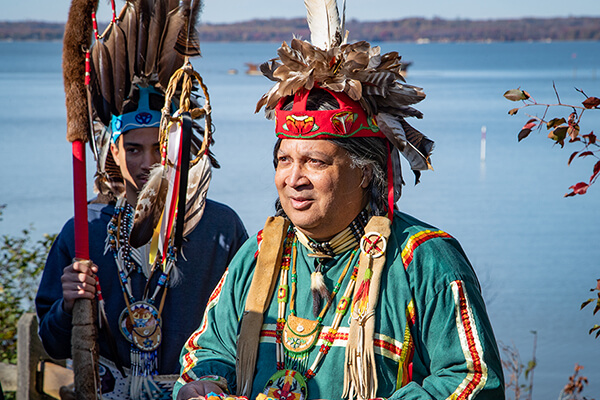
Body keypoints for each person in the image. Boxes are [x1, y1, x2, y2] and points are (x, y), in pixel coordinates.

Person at [174, 2, 505, 399]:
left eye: (315, 161)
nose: (293, 179)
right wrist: (205, 384)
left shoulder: (423, 260)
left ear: (365, 171)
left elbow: (474, 380)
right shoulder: (260, 255)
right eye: (284, 160)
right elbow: (208, 350)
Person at [35, 1, 248, 398]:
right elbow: (53, 343)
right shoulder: (85, 231)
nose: (148, 163)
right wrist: (68, 307)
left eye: (158, 148)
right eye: (133, 149)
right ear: (112, 151)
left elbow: (247, 329)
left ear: (180, 147)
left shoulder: (219, 227)